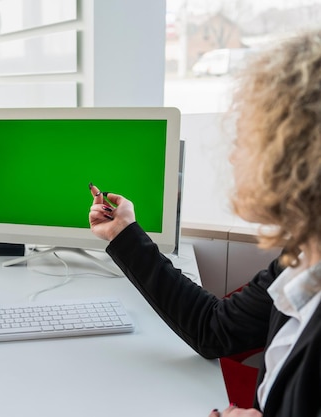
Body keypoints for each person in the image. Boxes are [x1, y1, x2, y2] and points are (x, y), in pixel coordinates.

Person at [89, 29, 321, 417]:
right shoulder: (300, 259)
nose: (233, 158)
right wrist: (123, 234)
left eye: (246, 140)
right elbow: (213, 329)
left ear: (296, 157)